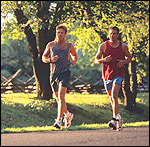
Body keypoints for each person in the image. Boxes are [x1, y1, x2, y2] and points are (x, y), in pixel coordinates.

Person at [95, 26, 132, 131]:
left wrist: (124, 62)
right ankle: (118, 118)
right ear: (108, 34)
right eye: (111, 33)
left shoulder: (123, 46)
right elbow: (96, 60)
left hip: (119, 73)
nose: (112, 35)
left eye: (114, 34)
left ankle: (114, 119)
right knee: (112, 98)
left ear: (118, 35)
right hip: (107, 75)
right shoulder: (103, 46)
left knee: (114, 94)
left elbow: (129, 58)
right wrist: (103, 60)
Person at [42, 24, 78, 129]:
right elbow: (44, 57)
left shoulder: (69, 46)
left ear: (65, 34)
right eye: (58, 32)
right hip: (54, 74)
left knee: (62, 96)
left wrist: (73, 60)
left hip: (65, 73)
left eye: (62, 33)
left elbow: (75, 55)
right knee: (58, 98)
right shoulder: (50, 45)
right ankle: (68, 114)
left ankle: (58, 120)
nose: (59, 34)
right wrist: (51, 60)